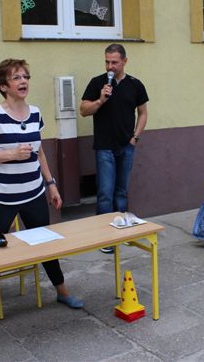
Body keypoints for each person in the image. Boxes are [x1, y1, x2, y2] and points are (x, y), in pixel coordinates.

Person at [0, 58, 83, 338]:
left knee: (45, 245)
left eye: (26, 77)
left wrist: (51, 184)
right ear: (3, 85)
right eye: (16, 77)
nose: (23, 82)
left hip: (33, 192)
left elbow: (39, 151)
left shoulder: (35, 113)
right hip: (1, 197)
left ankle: (61, 291)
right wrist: (10, 154)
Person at [80, 44, 149, 254]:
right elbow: (83, 110)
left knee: (121, 191)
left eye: (114, 62)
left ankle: (122, 231)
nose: (110, 66)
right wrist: (100, 100)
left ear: (125, 61)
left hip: (126, 146)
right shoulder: (97, 82)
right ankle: (105, 236)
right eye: (107, 62)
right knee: (105, 192)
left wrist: (135, 137)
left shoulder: (135, 84)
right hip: (104, 147)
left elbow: (143, 112)